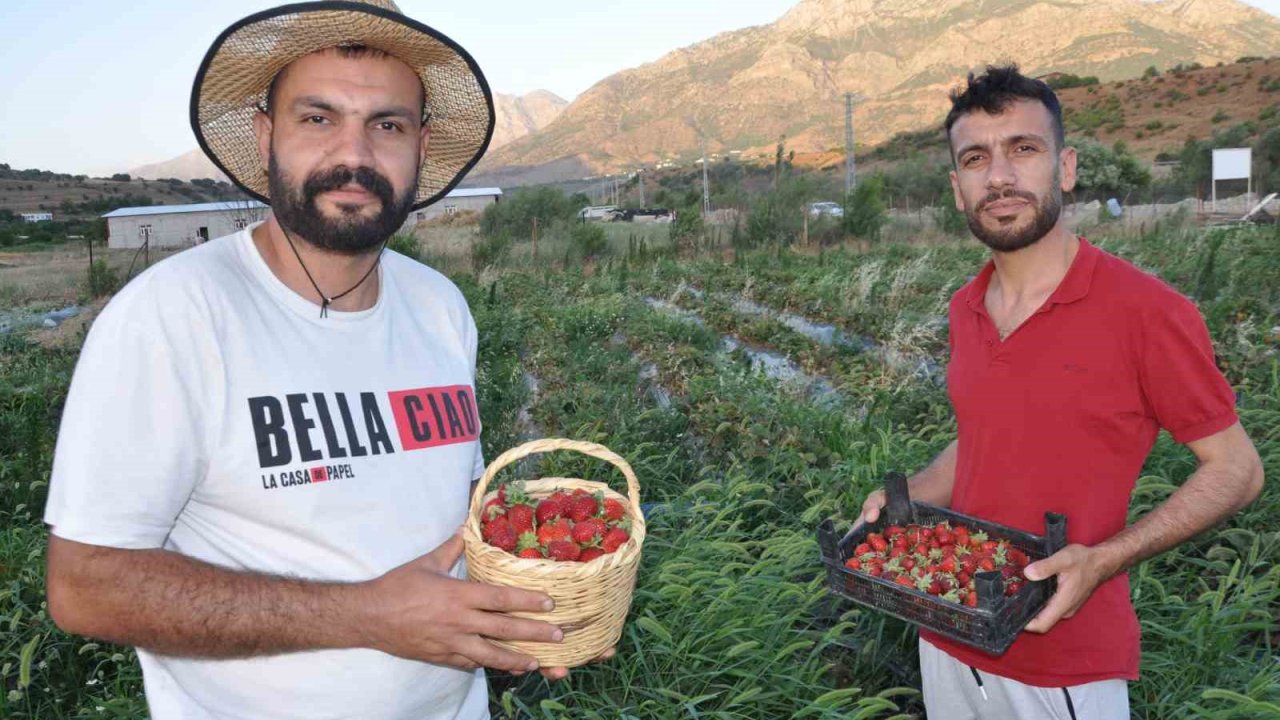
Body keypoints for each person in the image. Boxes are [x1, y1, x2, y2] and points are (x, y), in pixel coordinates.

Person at [43, 2, 602, 718]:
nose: (355, 156)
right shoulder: (174, 317)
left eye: (387, 125)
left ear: (421, 146)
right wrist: (365, 615)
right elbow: (86, 587)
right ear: (265, 135)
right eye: (317, 119)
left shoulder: (439, 307)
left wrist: (540, 597)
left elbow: (448, 517)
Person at [858, 65, 1264, 720]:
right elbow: (986, 442)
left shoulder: (1146, 312)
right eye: (975, 158)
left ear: (1066, 167)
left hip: (1061, 660)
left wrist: (1104, 560)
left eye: (1023, 149)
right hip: (946, 635)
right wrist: (901, 501)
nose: (999, 177)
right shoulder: (966, 307)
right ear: (957, 190)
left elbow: (1238, 471)